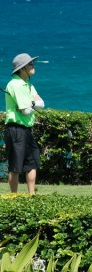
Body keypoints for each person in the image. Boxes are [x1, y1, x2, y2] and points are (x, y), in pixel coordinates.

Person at [4, 53, 45, 194]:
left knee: (32, 162)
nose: (33, 66)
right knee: (15, 166)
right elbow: (26, 111)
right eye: (30, 64)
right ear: (22, 69)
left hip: (27, 129)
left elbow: (41, 104)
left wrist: (31, 104)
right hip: (15, 129)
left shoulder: (28, 85)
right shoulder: (15, 84)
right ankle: (14, 197)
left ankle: (31, 196)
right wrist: (32, 105)